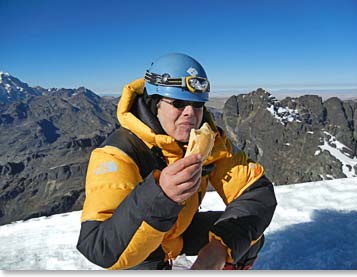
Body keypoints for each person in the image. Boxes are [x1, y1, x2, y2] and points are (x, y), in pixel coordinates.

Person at [76, 53, 277, 270]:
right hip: (138, 248)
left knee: (245, 238)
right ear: (155, 104)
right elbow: (98, 247)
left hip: (179, 230)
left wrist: (219, 249)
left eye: (197, 104)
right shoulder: (117, 154)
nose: (190, 113)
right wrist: (160, 196)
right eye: (178, 103)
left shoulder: (209, 141)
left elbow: (256, 191)